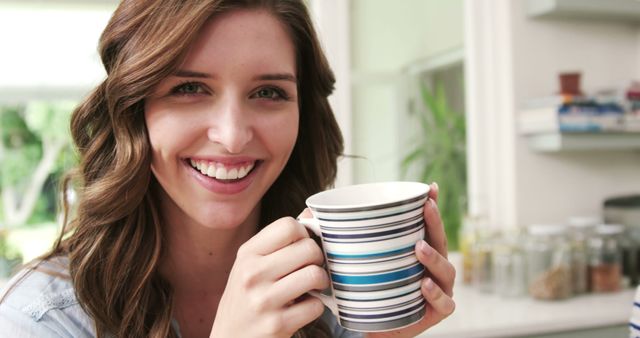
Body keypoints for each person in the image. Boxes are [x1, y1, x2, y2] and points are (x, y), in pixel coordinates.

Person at [0, 0, 456, 337]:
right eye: (191, 88)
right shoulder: (41, 320)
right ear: (133, 110)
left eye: (268, 93)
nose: (233, 135)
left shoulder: (338, 300)